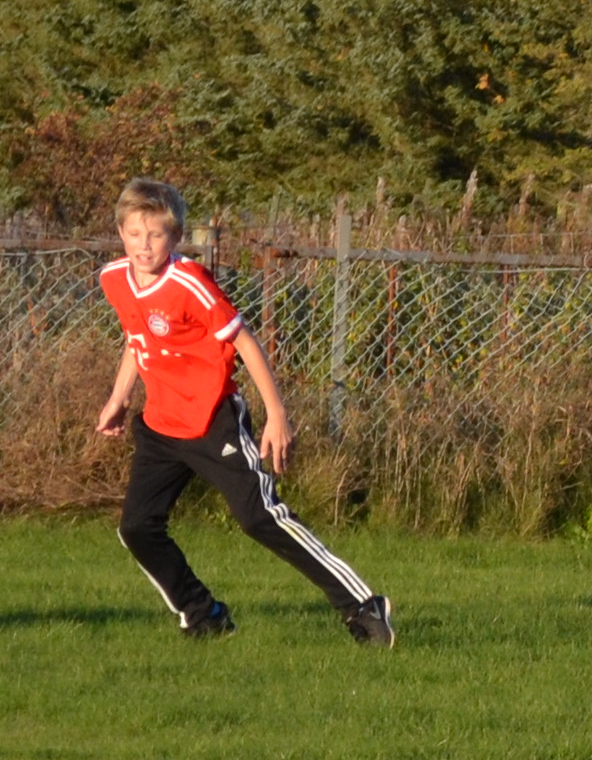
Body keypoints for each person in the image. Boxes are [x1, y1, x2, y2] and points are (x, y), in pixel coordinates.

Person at [95, 180, 397, 647]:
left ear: (175, 237)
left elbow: (245, 342)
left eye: (155, 235)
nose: (144, 245)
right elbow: (138, 340)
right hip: (160, 425)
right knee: (137, 528)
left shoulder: (190, 283)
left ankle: (362, 605)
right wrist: (119, 398)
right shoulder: (114, 278)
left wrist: (276, 414)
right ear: (120, 233)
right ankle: (204, 615)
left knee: (259, 517)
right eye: (135, 234)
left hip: (212, 419)